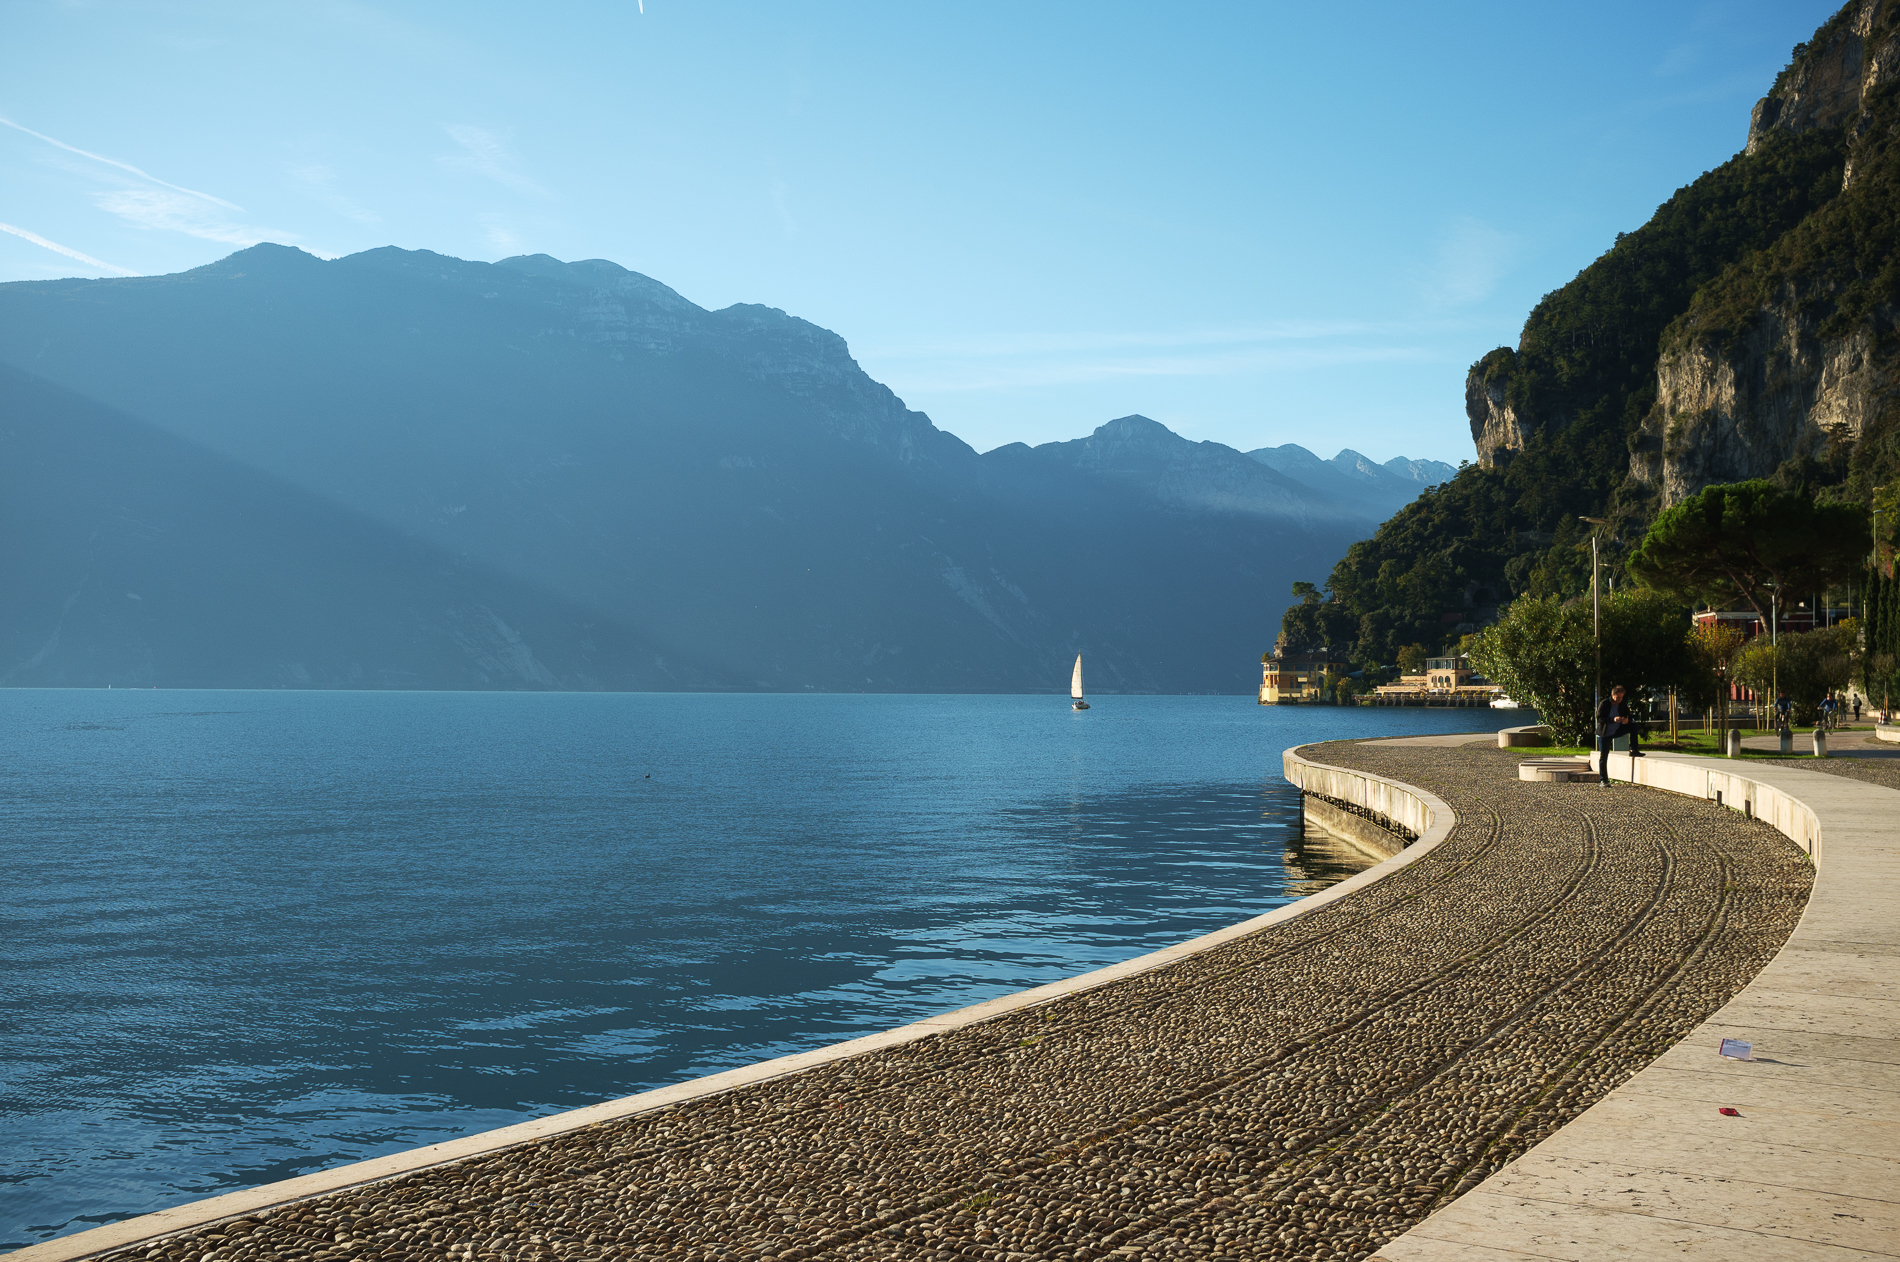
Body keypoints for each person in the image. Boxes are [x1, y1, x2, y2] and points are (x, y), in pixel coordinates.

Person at [1597, 685, 1643, 785]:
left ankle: (1633, 749)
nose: (1619, 699)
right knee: (1604, 756)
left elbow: (1629, 717)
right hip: (1604, 733)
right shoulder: (1604, 704)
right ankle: (1603, 780)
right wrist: (1613, 720)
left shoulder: (1622, 705)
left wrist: (1627, 720)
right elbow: (1599, 718)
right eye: (1617, 697)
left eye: (1621, 697)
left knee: (1634, 726)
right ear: (1612, 695)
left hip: (1616, 730)